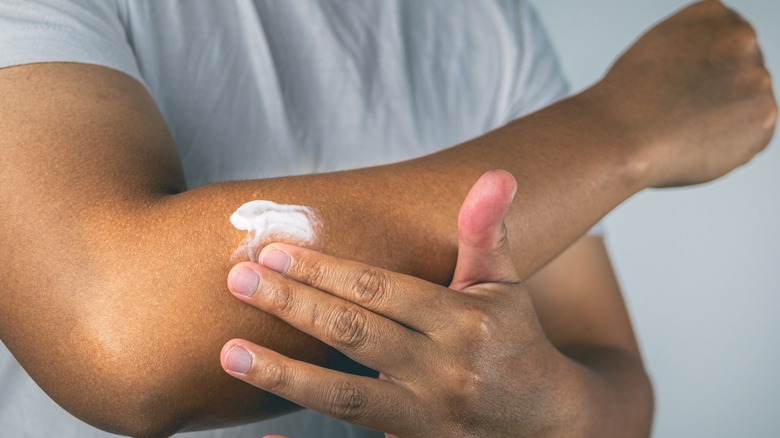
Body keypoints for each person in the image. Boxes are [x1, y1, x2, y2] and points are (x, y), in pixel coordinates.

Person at [0, 0, 774, 437]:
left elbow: (610, 378)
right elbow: (121, 338)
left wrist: (548, 412)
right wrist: (622, 130)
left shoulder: (491, 24)